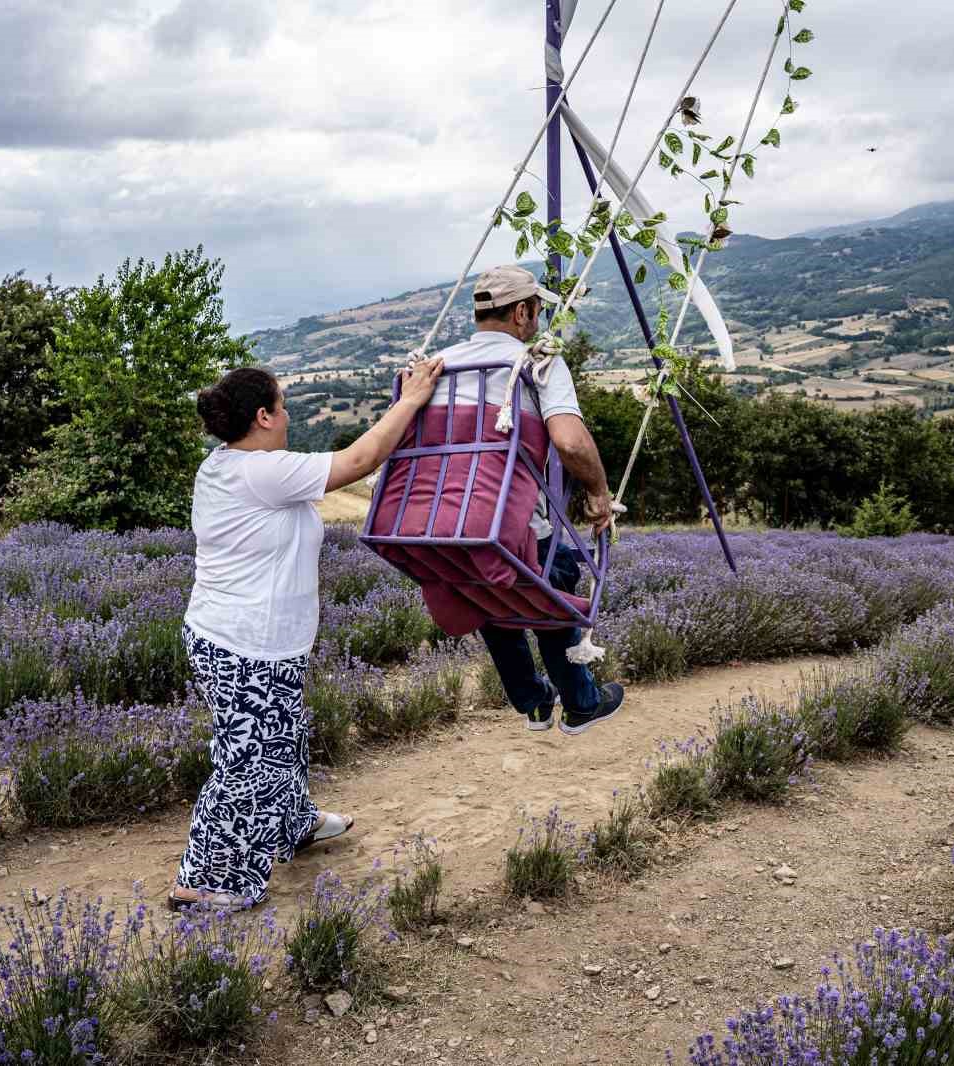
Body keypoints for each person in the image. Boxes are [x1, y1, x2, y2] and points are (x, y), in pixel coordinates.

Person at [169, 358, 444, 909]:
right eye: (284, 404)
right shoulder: (260, 470)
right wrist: (411, 400)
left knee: (280, 738)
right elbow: (360, 459)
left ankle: (292, 823)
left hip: (254, 639)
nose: (291, 414)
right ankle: (203, 881)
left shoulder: (230, 464)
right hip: (243, 644)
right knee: (246, 762)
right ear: (264, 415)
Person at [432, 264, 626, 735]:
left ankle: (533, 701)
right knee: (551, 573)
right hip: (512, 527)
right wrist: (599, 493)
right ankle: (581, 703)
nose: (537, 321)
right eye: (536, 311)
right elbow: (571, 442)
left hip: (445, 527)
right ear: (522, 312)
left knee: (485, 584)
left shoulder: (438, 365)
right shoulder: (534, 363)